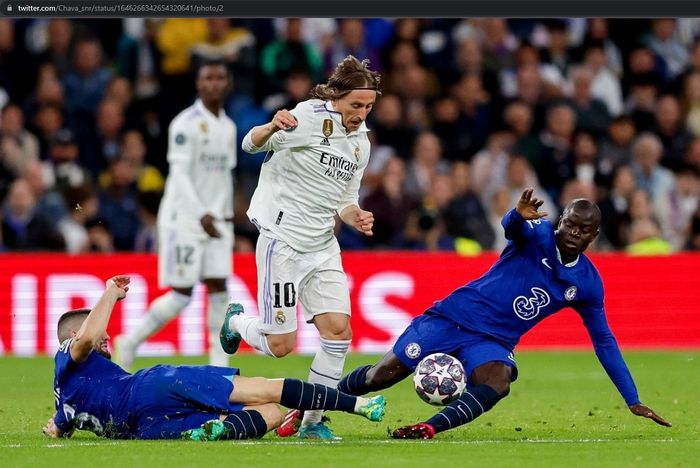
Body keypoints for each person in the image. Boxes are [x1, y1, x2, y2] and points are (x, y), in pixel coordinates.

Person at [337, 188, 671, 439]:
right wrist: (515, 214)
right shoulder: (538, 233)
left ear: (593, 236)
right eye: (569, 224)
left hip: (493, 340)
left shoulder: (587, 283)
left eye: (583, 230)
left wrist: (632, 398)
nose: (573, 233)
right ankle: (309, 406)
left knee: (498, 381)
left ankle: (428, 428)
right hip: (451, 318)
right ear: (560, 221)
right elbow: (513, 228)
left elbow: (604, 341)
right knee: (379, 377)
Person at [221, 55, 380, 440]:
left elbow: (346, 196)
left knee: (338, 332)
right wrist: (271, 124)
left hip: (323, 244)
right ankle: (237, 322)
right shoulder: (308, 117)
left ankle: (309, 422)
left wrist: (354, 214)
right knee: (280, 346)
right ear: (337, 97)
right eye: (356, 105)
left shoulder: (360, 143)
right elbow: (249, 144)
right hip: (284, 242)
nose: (361, 113)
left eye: (369, 106)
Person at [43, 275, 386, 441]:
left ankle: (221, 429)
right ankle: (358, 405)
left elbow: (60, 425)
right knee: (267, 389)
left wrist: (57, 427)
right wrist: (110, 293)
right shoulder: (68, 354)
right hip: (155, 387)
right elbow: (88, 335)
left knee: (270, 414)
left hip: (144, 428)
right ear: (71, 339)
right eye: (100, 333)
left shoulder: (68, 401)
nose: (106, 337)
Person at [114, 59, 237, 369]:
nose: (213, 83)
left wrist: (224, 212)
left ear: (227, 83)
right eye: (207, 77)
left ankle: (219, 366)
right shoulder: (185, 123)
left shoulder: (229, 126)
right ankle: (130, 341)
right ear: (198, 84)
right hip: (184, 219)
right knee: (182, 294)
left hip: (215, 220)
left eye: (219, 77)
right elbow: (179, 175)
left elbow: (225, 175)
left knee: (220, 285)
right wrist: (201, 214)